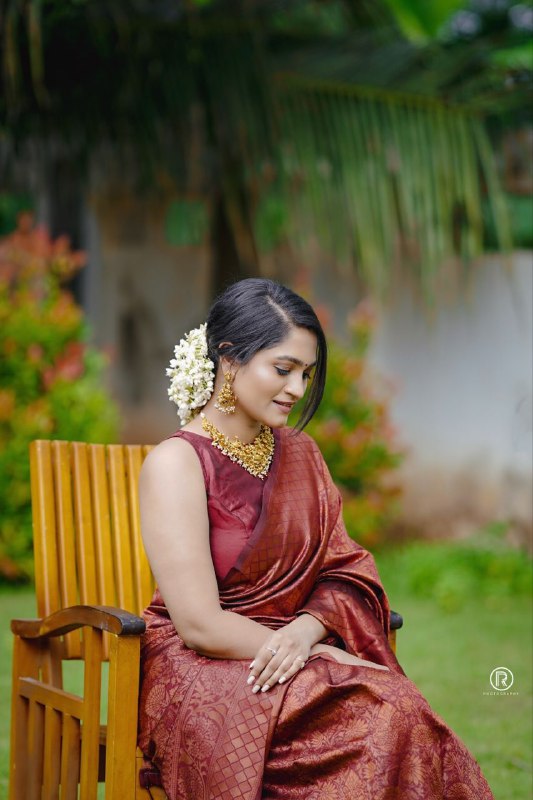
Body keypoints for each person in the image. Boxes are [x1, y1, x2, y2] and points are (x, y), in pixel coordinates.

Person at [137, 278, 494, 800]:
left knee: (400, 714)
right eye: (282, 369)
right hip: (207, 667)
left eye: (306, 373)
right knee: (380, 717)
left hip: (298, 650)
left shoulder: (302, 455)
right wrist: (318, 657)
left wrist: (308, 636)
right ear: (229, 359)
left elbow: (344, 569)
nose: (297, 390)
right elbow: (197, 624)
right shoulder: (176, 464)